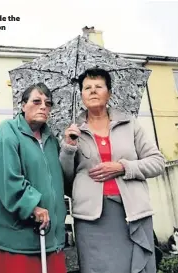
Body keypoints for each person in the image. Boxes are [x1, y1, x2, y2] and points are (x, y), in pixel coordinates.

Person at [59, 68, 165, 273]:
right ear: (81, 95)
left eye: (98, 86)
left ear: (109, 93)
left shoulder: (129, 124)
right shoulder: (72, 131)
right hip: (91, 218)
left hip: (132, 212)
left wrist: (123, 167)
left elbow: (157, 162)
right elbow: (64, 179)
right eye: (87, 88)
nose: (92, 91)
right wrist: (68, 148)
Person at [0, 82, 67, 273]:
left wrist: (69, 147)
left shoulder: (52, 140)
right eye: (36, 101)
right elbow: (7, 176)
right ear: (22, 105)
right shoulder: (8, 130)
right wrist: (32, 205)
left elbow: (59, 182)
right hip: (16, 240)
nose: (43, 106)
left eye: (48, 103)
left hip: (49, 238)